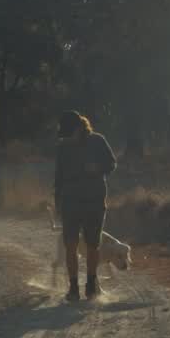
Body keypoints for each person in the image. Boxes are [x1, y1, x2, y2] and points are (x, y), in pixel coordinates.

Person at [53, 110, 117, 301]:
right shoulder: (63, 147)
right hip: (70, 202)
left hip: (94, 201)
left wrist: (97, 168)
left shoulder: (98, 141)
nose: (66, 138)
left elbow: (112, 163)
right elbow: (58, 177)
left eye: (68, 133)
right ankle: (73, 287)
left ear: (79, 128)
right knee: (70, 245)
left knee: (92, 244)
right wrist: (57, 203)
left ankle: (91, 283)